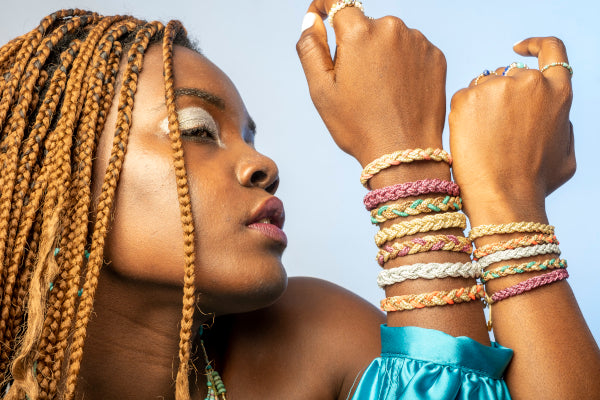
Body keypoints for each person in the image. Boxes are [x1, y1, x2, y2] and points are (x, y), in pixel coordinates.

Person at [0, 2, 597, 400]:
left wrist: (507, 201)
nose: (263, 165)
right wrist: (406, 159)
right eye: (197, 131)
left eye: (250, 135)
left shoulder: (310, 338)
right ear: (60, 179)